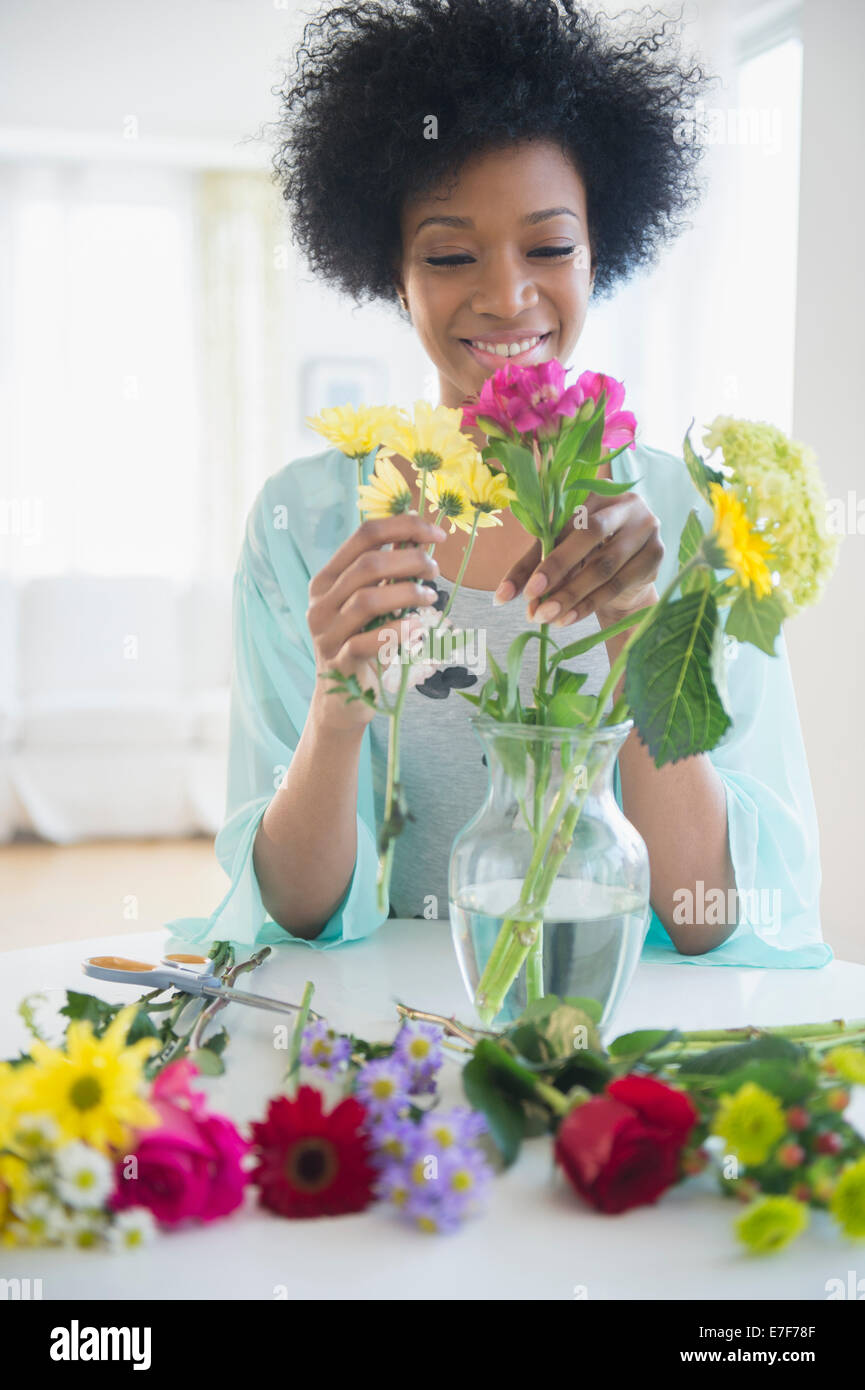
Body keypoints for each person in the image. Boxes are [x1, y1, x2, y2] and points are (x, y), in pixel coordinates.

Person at [167, 0, 830, 969]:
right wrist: (336, 710)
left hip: (614, 1035)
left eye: (550, 247)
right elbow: (296, 916)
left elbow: (708, 913)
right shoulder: (301, 525)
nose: (508, 295)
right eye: (447, 255)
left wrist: (646, 648)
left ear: (603, 252)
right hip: (387, 1050)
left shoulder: (692, 519)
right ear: (392, 274)